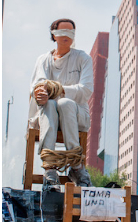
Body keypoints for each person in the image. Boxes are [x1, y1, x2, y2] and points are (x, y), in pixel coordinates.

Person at [29, 19, 93, 187]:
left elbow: (85, 90)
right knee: (49, 104)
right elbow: (38, 84)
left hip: (76, 114)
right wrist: (40, 93)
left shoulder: (83, 58)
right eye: (62, 32)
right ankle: (49, 168)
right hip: (48, 115)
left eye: (71, 32)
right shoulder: (43, 60)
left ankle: (76, 166)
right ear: (54, 35)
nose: (67, 36)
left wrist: (58, 90)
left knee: (64, 103)